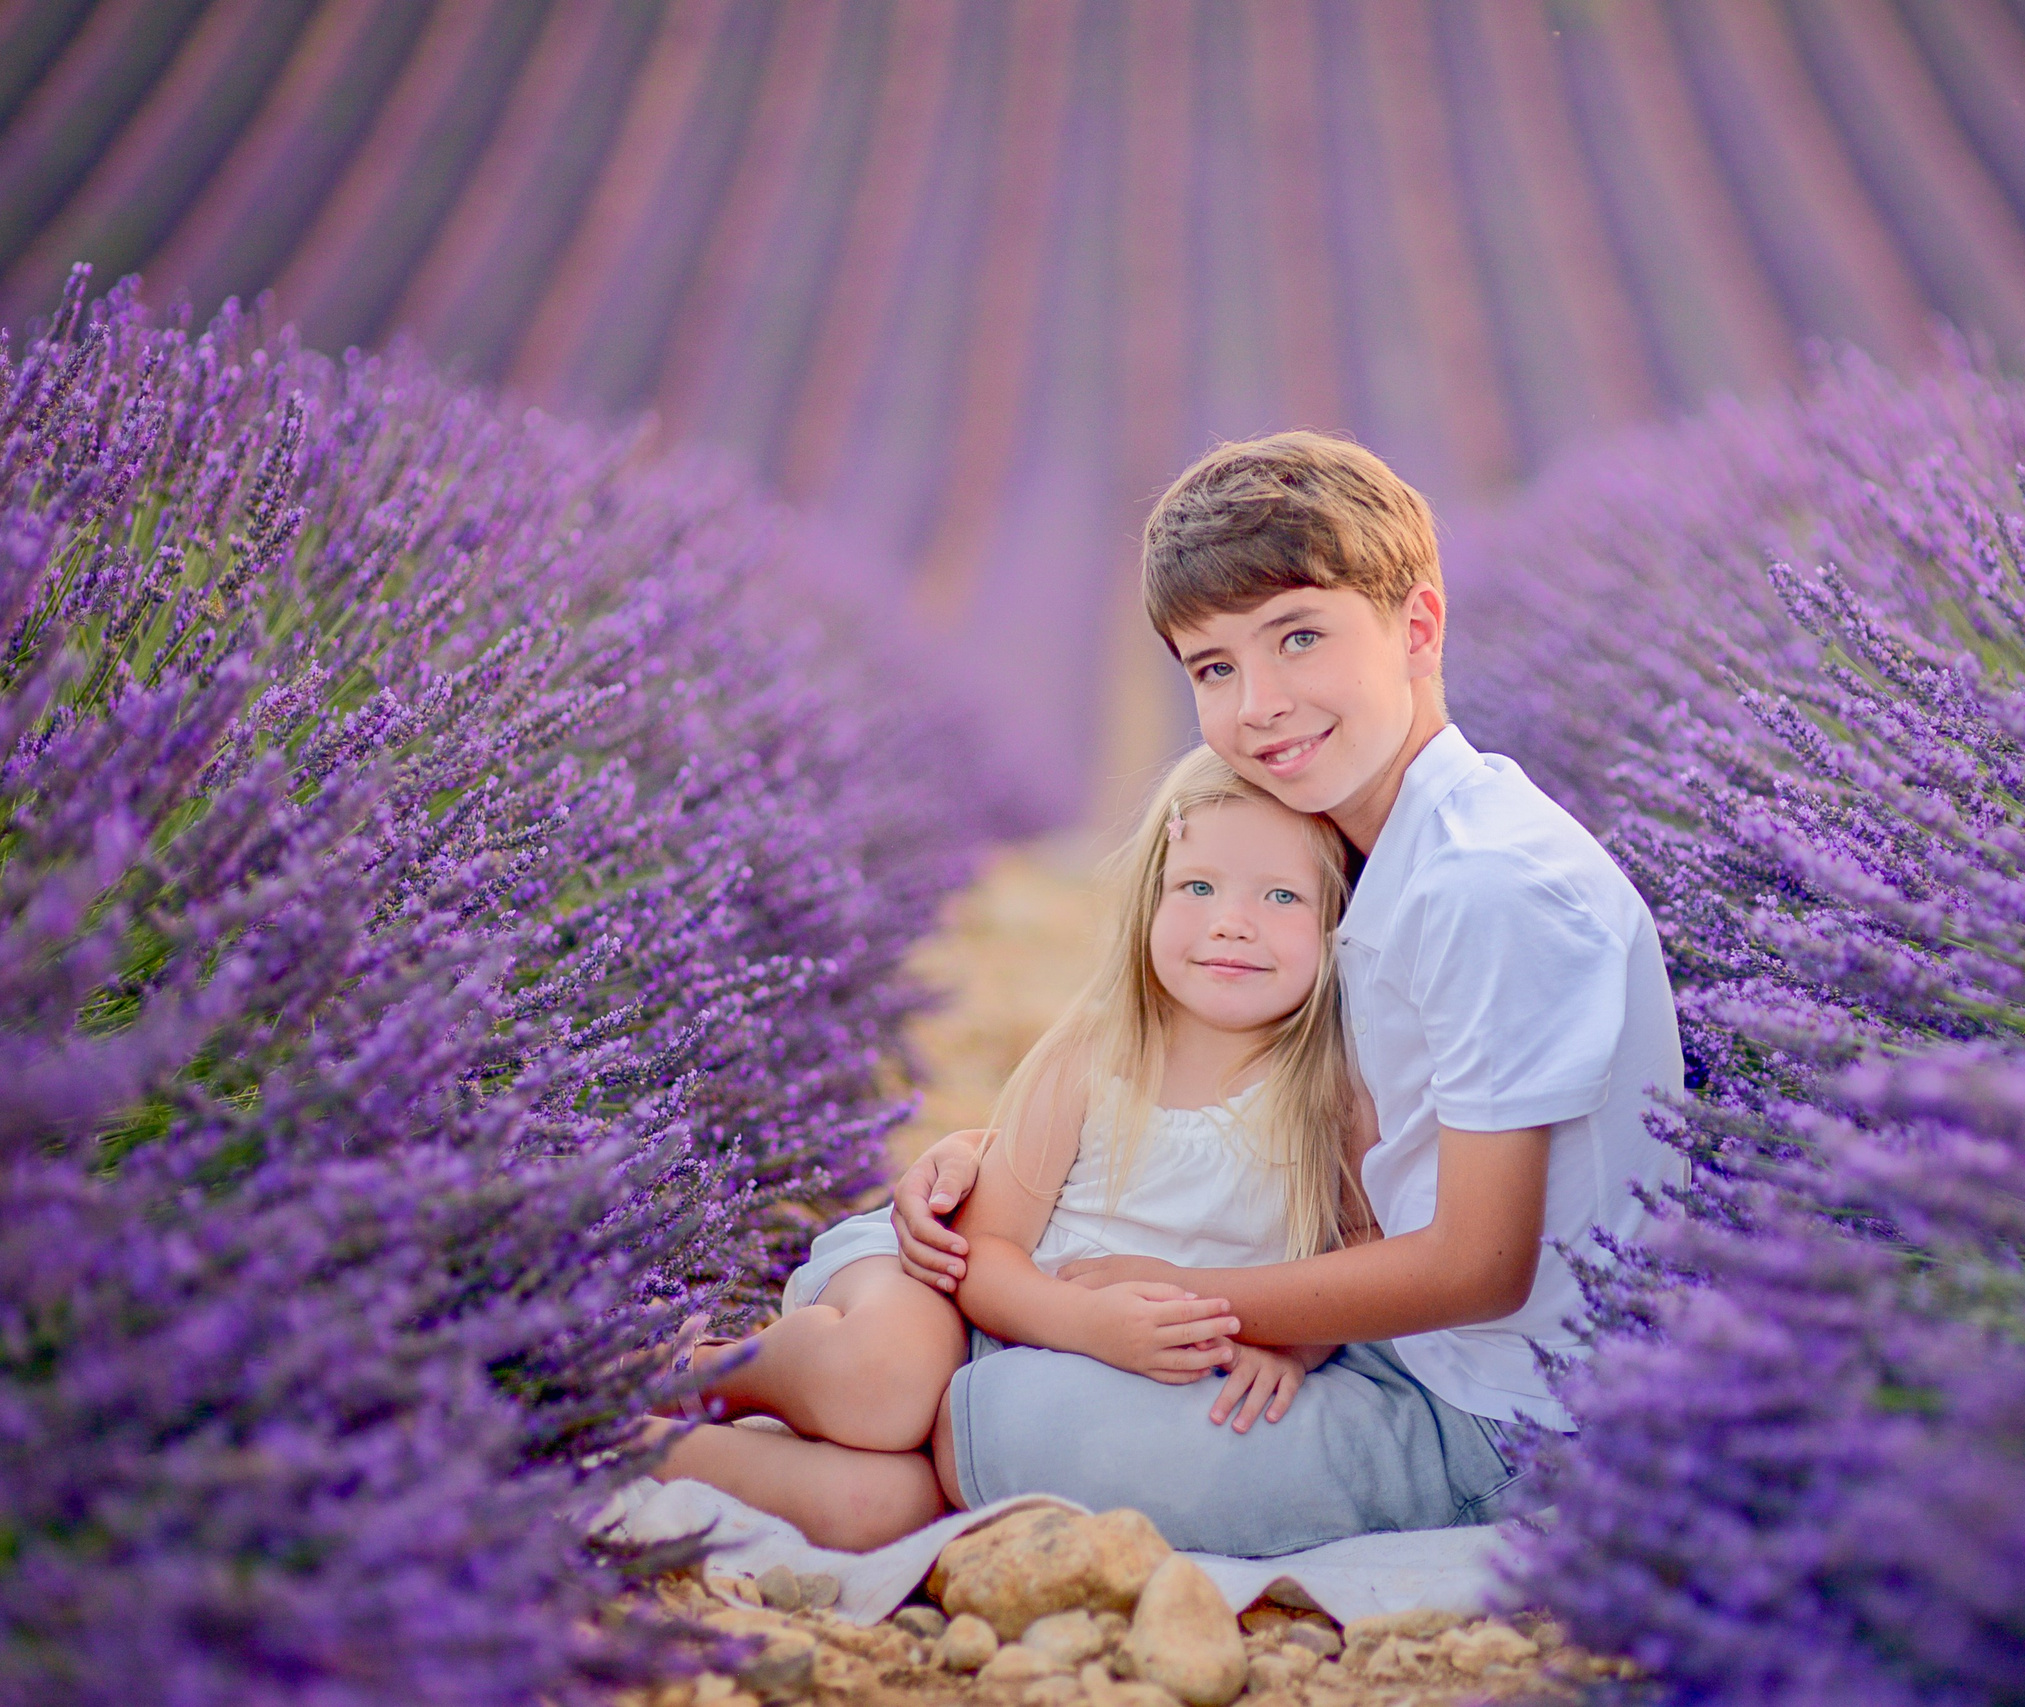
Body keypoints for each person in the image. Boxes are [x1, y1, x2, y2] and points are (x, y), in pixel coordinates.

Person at [901, 431, 1686, 1558]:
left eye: (1299, 638)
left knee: (988, 1404)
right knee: (924, 1290)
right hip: (1403, 1341)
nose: (1259, 704)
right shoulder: (1373, 842)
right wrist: (1006, 1152)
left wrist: (1190, 1294)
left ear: (1418, 627)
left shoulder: (1485, 887)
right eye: (1215, 668)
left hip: (1502, 1419)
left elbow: (1481, 1266)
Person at [635, 748, 1372, 1550]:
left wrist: (1294, 1345)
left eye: (1282, 895)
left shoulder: (1334, 1093)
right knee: (884, 1381)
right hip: (947, 1290)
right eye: (1198, 886)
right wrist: (1089, 1325)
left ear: (1338, 923)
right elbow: (981, 1257)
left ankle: (635, 1448)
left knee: (875, 1510)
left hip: (1029, 1387)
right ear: (1150, 901)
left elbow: (1361, 1249)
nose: (1232, 920)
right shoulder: (1103, 1053)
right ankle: (714, 1373)